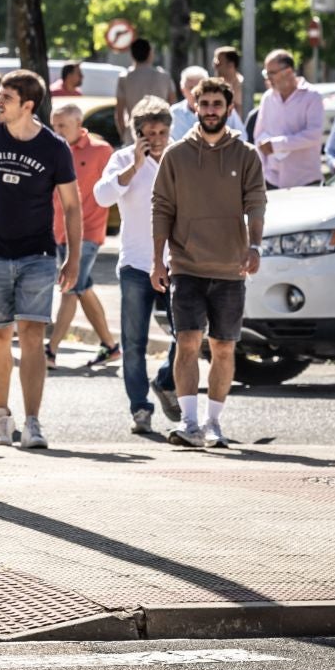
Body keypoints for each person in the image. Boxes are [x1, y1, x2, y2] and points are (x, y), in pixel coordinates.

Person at [0, 69, 81, 450]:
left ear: (28, 105)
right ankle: (1, 417)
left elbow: (72, 206)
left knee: (31, 336)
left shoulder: (54, 147)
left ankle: (32, 422)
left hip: (39, 255)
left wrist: (73, 257)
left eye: (6, 99)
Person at [151, 77, 265, 449]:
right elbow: (162, 208)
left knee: (223, 346)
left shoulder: (245, 154)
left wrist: (255, 246)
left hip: (230, 266)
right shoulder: (176, 155)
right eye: (205, 104)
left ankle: (213, 424)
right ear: (195, 107)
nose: (211, 110)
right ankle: (189, 423)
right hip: (186, 264)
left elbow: (256, 204)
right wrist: (158, 260)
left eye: (218, 104)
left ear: (228, 109)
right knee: (187, 342)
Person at [94, 96, 179, 434]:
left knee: (187, 334)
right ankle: (140, 408)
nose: (156, 138)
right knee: (134, 342)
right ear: (138, 134)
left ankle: (166, 380)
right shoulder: (123, 159)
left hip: (177, 262)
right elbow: (101, 196)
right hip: (135, 263)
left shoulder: (181, 156)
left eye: (161, 131)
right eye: (149, 132)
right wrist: (133, 167)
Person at [47, 101, 117, 368]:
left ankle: (51, 351)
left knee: (69, 288)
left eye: (62, 126)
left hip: (88, 232)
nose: (57, 131)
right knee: (82, 288)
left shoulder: (102, 151)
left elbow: (114, 189)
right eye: (54, 126)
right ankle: (110, 346)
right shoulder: (52, 149)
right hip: (57, 231)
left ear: (79, 124)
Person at [252, 49, 325, 190]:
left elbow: (314, 135)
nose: (268, 78)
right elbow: (259, 135)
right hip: (272, 180)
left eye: (271, 73)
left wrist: (277, 145)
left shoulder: (312, 96)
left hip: (305, 182)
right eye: (266, 73)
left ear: (288, 71)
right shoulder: (267, 98)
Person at [115, 38, 175, 144]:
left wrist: (125, 135)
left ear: (132, 55)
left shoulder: (125, 78)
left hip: (134, 134)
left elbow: (119, 114)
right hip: (160, 134)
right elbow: (172, 105)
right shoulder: (164, 76)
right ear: (150, 53)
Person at [170, 66, 243, 140]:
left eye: (199, 87)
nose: (195, 92)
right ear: (182, 90)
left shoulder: (225, 110)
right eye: (191, 88)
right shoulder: (173, 114)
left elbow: (242, 138)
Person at [212, 46, 245, 113]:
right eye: (214, 63)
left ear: (231, 64)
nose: (215, 66)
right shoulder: (213, 87)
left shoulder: (244, 86)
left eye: (218, 63)